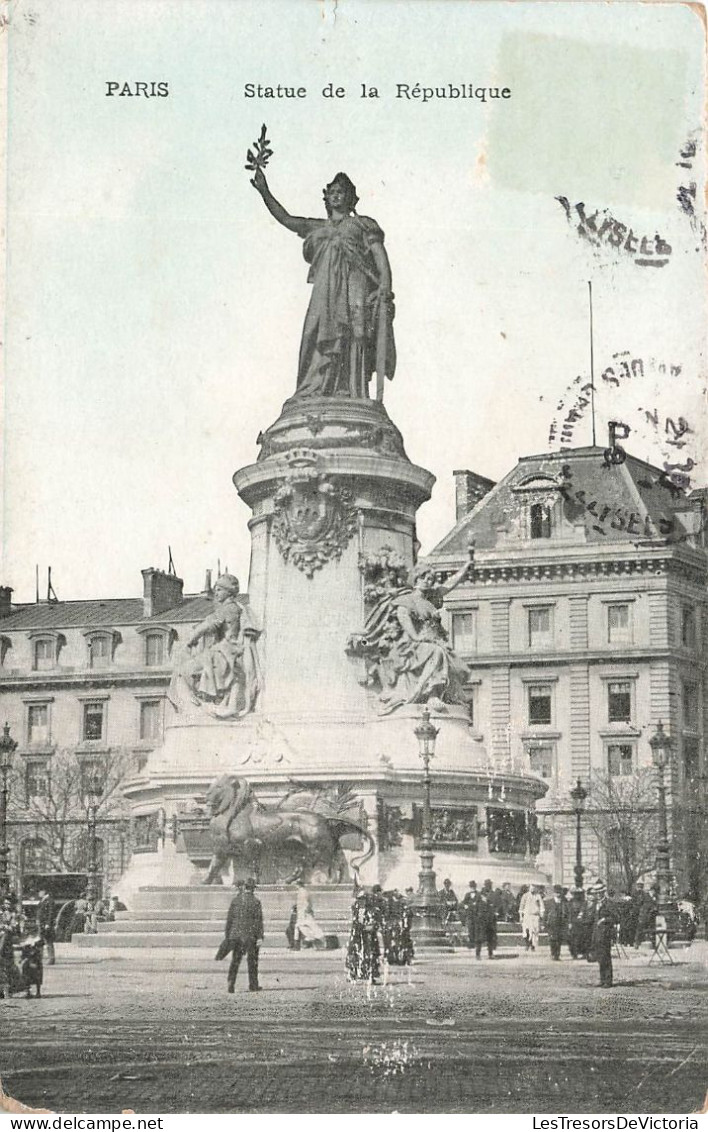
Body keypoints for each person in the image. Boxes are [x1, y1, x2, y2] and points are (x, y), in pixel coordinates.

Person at [251, 167, 395, 401]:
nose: (337, 195)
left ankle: (352, 391)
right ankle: (315, 388)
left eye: (342, 192)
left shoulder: (362, 225)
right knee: (313, 331)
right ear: (326, 197)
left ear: (351, 198)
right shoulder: (318, 227)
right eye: (333, 192)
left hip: (354, 283)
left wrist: (385, 288)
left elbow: (380, 256)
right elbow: (288, 220)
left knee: (354, 333)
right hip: (324, 292)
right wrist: (265, 191)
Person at [224, 877, 263, 992]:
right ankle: (253, 985)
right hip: (250, 936)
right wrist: (260, 937)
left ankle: (231, 983)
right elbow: (258, 921)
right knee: (252, 961)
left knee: (235, 961)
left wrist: (228, 936)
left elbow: (229, 920)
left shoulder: (235, 901)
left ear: (243, 887)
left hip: (235, 936)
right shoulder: (256, 902)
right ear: (253, 889)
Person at [346, 889, 382, 983]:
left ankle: (370, 976)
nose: (361, 901)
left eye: (363, 899)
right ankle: (352, 974)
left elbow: (376, 922)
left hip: (369, 936)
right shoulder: (356, 909)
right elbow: (355, 922)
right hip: (357, 935)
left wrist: (372, 926)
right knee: (354, 954)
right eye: (360, 899)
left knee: (370, 955)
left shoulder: (372, 911)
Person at [590, 882, 617, 987]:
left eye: (599, 893)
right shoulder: (595, 905)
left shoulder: (609, 903)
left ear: (603, 892)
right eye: (596, 893)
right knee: (600, 957)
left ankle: (608, 980)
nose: (598, 895)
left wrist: (604, 919)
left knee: (606, 956)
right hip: (597, 934)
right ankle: (602, 979)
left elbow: (616, 917)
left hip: (606, 933)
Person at [294, 881, 326, 949]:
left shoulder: (303, 892)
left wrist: (305, 910)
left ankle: (314, 940)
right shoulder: (303, 891)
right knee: (301, 926)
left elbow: (305, 902)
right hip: (303, 912)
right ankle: (308, 941)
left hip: (304, 913)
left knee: (309, 926)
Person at [544, 885, 567, 961]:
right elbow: (545, 913)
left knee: (559, 939)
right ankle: (553, 953)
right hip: (551, 923)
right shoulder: (548, 902)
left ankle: (557, 955)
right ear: (554, 893)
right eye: (556, 893)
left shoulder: (564, 901)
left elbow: (567, 912)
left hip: (561, 923)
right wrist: (544, 923)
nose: (558, 894)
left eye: (559, 893)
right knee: (552, 939)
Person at [474, 887, 497, 959]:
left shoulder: (489, 904)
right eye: (484, 895)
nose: (485, 897)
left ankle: (490, 954)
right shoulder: (478, 904)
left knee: (490, 939)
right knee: (479, 940)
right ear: (481, 896)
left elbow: (492, 914)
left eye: (486, 895)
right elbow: (475, 914)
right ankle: (478, 955)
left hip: (489, 925)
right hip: (480, 925)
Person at [519, 884, 544, 952]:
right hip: (527, 915)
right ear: (529, 888)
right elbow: (521, 906)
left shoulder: (538, 896)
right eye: (531, 888)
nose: (532, 889)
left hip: (535, 916)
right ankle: (527, 944)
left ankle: (533, 945)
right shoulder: (525, 896)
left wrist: (542, 914)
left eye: (534, 888)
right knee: (526, 931)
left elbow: (541, 905)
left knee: (534, 931)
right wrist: (521, 916)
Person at [36, 889, 56, 966]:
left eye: (39, 891)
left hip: (46, 925)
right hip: (41, 924)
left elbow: (51, 913)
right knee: (41, 941)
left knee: (48, 941)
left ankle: (51, 958)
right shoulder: (43, 900)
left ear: (44, 891)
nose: (39, 893)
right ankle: (40, 957)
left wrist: (48, 923)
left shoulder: (49, 900)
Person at [460, 880, 480, 950]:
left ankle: (476, 943)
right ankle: (471, 943)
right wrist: (465, 905)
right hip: (470, 914)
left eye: (474, 887)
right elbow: (463, 902)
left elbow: (480, 903)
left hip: (476, 914)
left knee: (476, 929)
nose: (472, 888)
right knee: (470, 928)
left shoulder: (478, 894)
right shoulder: (467, 894)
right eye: (471, 887)